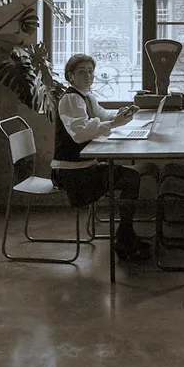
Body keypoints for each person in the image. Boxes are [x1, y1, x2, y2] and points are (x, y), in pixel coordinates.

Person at [50, 53, 153, 262]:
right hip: (73, 174)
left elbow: (103, 115)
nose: (88, 76)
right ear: (70, 76)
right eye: (81, 72)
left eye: (90, 71)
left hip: (84, 167)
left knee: (130, 177)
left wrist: (121, 115)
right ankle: (124, 237)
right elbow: (79, 133)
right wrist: (114, 124)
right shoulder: (71, 98)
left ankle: (125, 235)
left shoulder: (86, 96)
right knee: (131, 178)